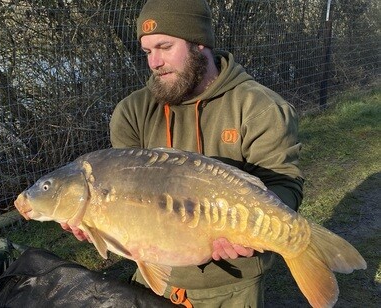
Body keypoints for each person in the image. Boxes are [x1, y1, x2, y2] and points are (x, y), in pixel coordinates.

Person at [63, 0, 304, 307]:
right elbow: (120, 192)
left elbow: (286, 185)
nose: (154, 62)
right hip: (152, 276)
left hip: (231, 282)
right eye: (148, 51)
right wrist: (93, 220)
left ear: (199, 43)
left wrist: (249, 227)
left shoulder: (259, 107)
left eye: (164, 46)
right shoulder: (133, 112)